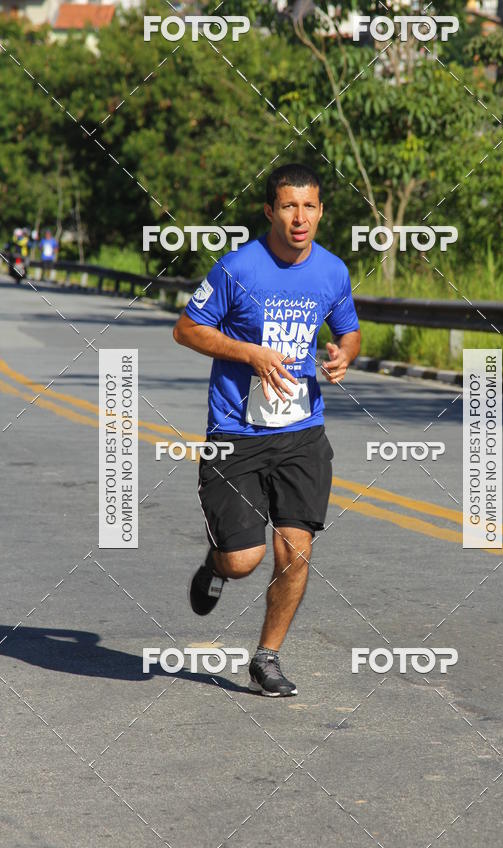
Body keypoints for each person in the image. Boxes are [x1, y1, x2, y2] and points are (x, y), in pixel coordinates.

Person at [173, 163, 361, 697]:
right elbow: (186, 329)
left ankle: (267, 656)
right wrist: (249, 352)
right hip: (236, 432)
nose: (299, 218)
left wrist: (342, 355)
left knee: (295, 549)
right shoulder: (238, 269)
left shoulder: (331, 272)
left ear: (321, 211)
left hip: (302, 430)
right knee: (244, 560)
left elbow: (350, 332)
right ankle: (215, 563)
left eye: (309, 207)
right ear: (269, 211)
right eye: (288, 206)